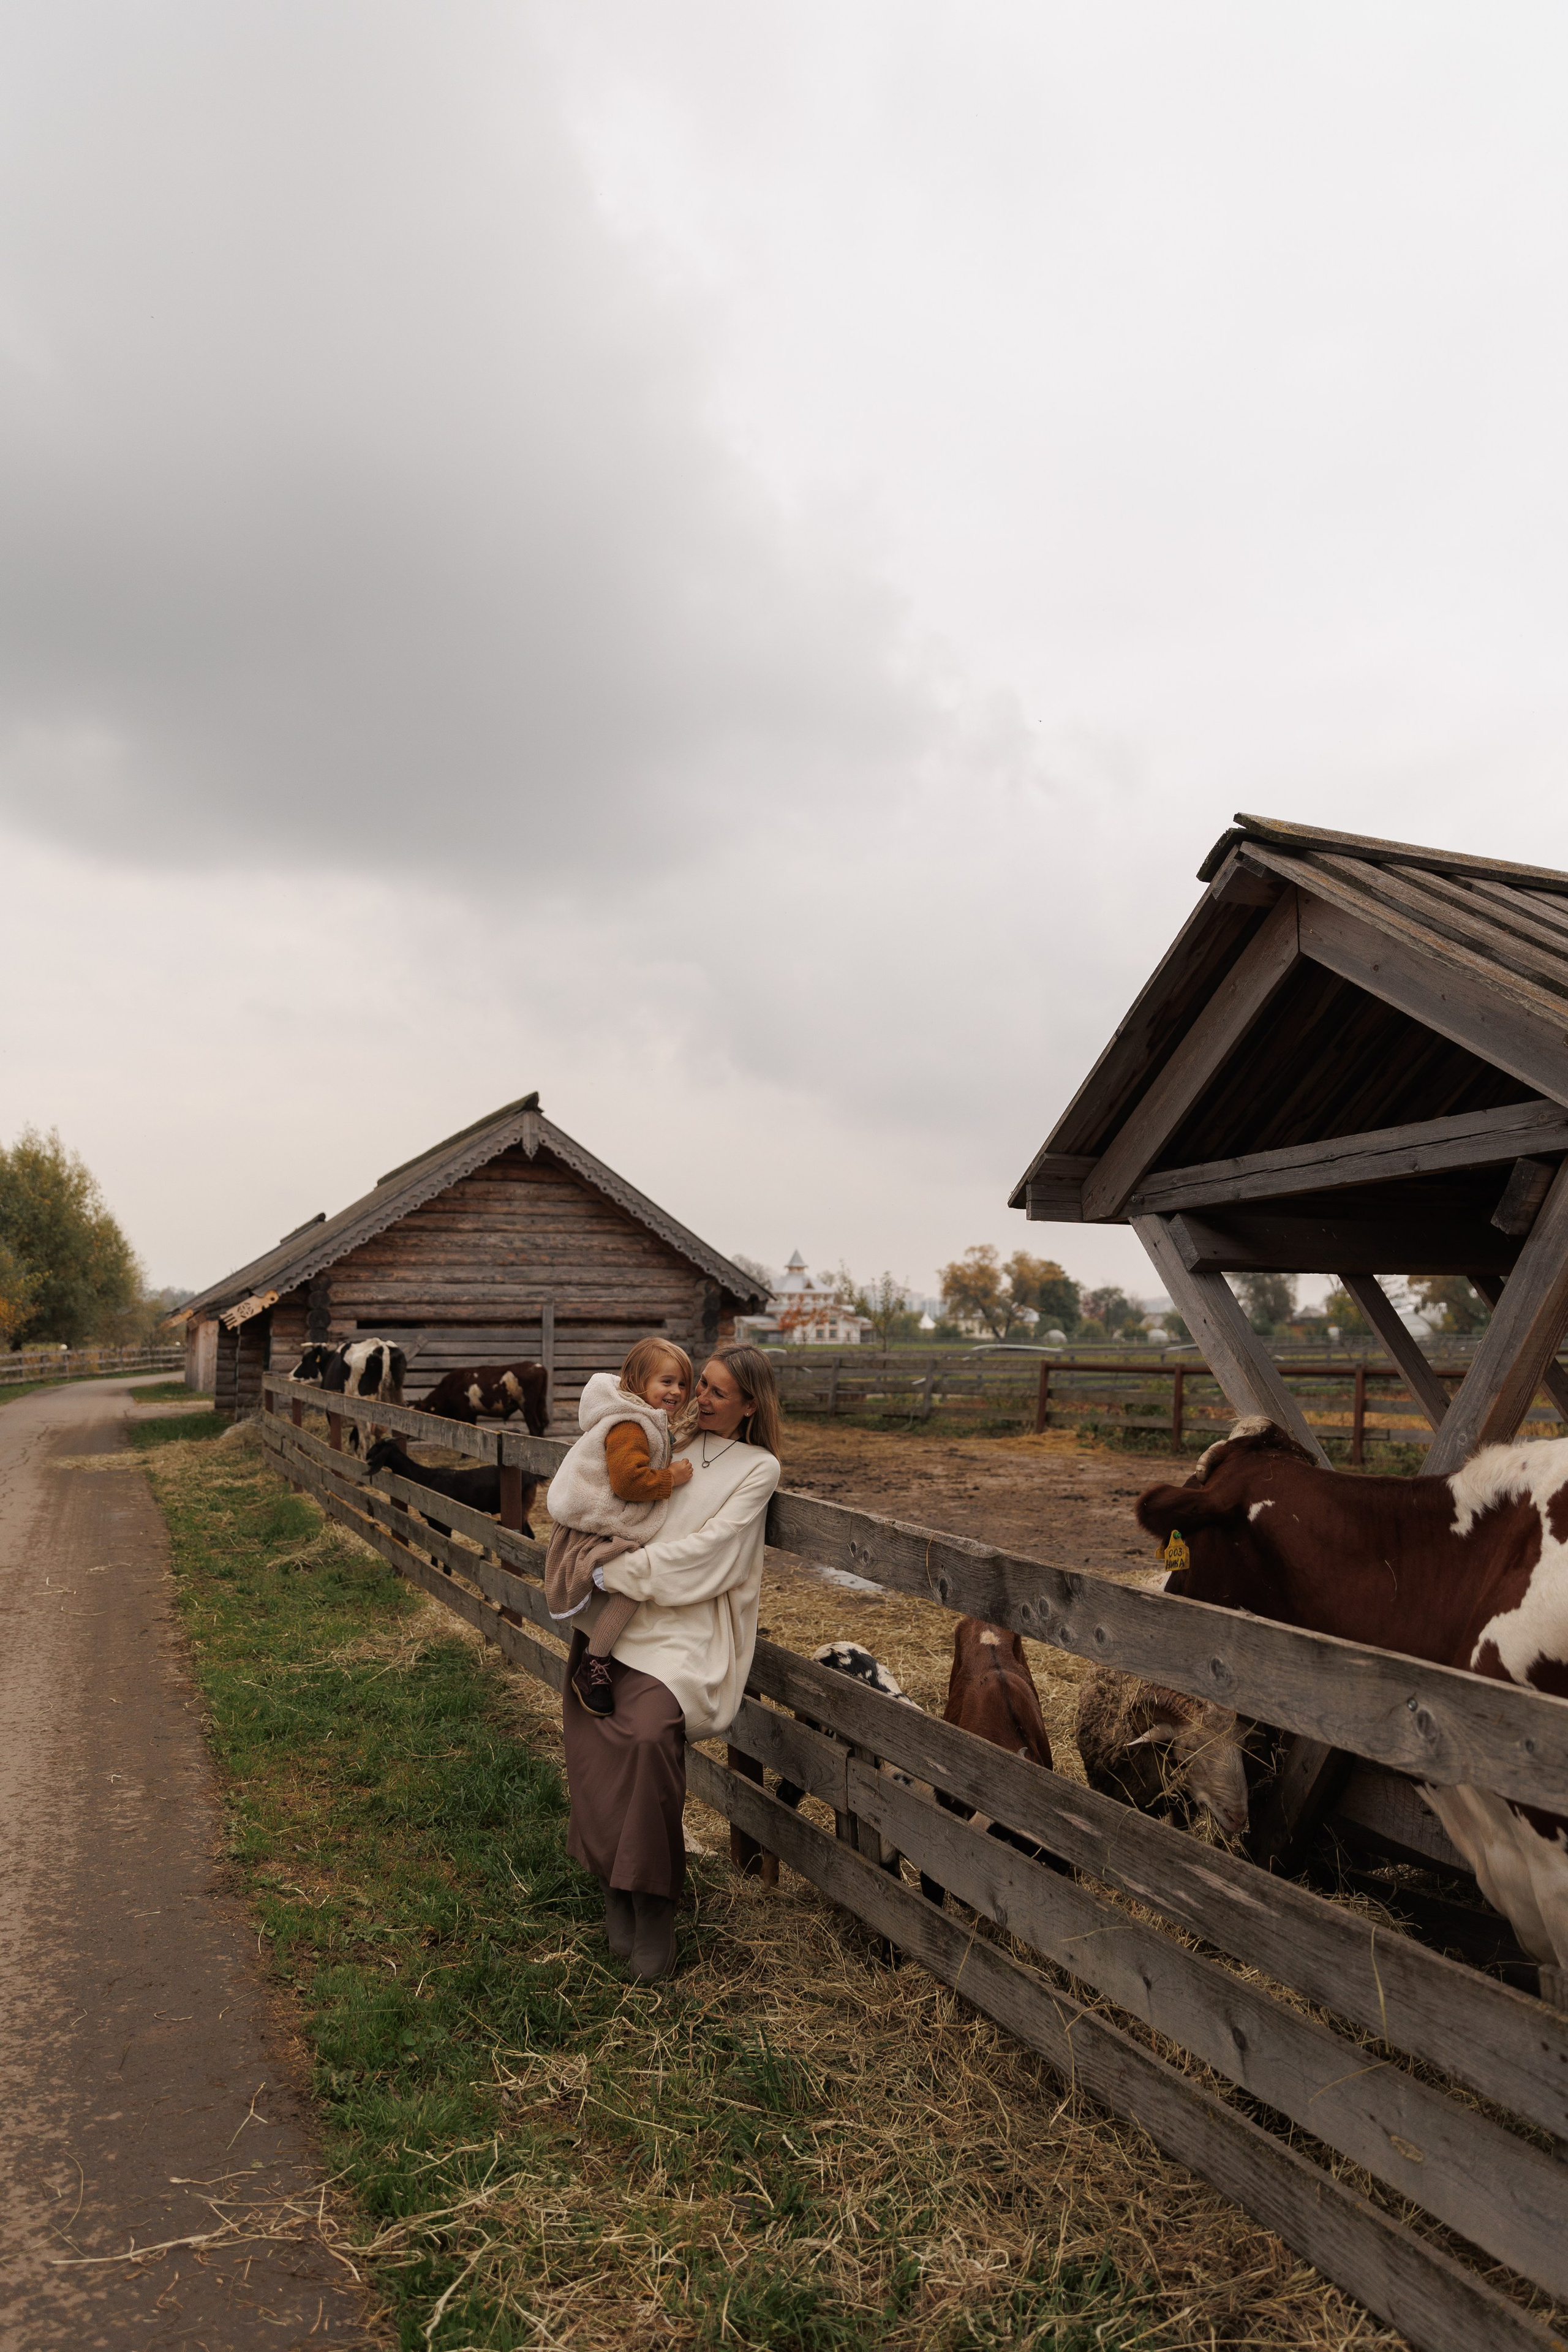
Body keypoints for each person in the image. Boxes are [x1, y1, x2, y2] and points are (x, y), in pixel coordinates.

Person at [560, 1344, 782, 1983]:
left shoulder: (757, 1468)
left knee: (648, 1736)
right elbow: (604, 1488)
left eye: (715, 1392)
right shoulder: (664, 1440)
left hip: (686, 1625)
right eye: (698, 1384)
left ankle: (653, 1905)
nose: (698, 1398)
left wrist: (621, 1571)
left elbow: (714, 1551)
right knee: (595, 1738)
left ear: (749, 1405)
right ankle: (613, 1886)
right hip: (618, 1620)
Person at [543, 1338, 696, 1719]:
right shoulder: (630, 1425)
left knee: (633, 1582)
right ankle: (593, 1665)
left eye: (682, 1384)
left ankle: (599, 1657)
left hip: (599, 1525)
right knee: (631, 1587)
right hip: (592, 1531)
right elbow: (628, 1483)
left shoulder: (641, 1417)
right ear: (637, 1383)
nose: (677, 1391)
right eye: (666, 1382)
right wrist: (671, 1478)